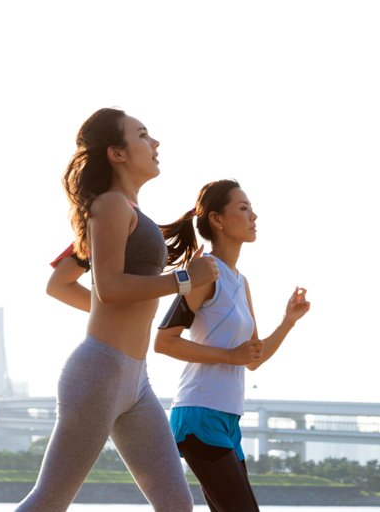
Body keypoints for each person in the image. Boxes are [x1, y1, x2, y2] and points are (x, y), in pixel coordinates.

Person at [17, 108, 217, 511]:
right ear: (117, 153)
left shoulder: (129, 211)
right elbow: (109, 288)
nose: (155, 143)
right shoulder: (110, 206)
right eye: (143, 135)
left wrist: (128, 302)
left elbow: (101, 292)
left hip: (135, 381)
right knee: (50, 501)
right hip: (100, 372)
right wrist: (184, 279)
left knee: (177, 506)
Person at [153, 179, 311, 512]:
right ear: (217, 219)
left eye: (251, 208)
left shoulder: (241, 281)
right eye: (243, 208)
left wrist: (288, 321)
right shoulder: (205, 272)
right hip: (199, 413)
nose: (254, 216)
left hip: (228, 418)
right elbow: (165, 341)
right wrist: (229, 355)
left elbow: (252, 358)